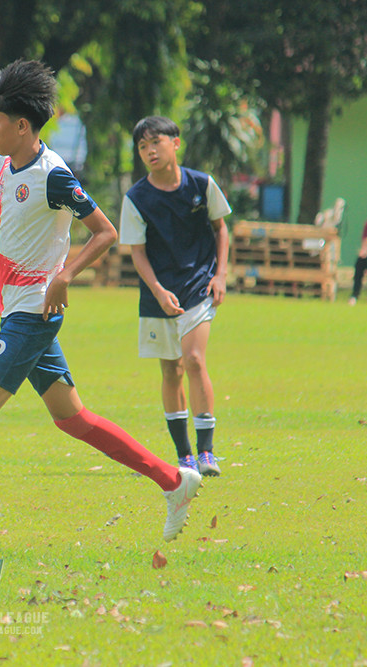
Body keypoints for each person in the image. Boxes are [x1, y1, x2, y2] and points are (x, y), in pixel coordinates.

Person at [0, 60, 201, 558]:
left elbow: (105, 231)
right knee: (73, 419)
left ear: (22, 125)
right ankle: (174, 480)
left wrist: (65, 274)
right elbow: (0, 223)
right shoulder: (3, 166)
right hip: (17, 311)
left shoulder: (54, 175)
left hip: (34, 315)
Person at [119, 116, 231, 478]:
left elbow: (221, 228)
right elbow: (137, 253)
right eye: (142, 146)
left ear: (175, 143)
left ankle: (207, 452)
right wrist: (158, 290)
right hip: (158, 293)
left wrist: (221, 275)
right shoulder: (136, 198)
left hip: (198, 286)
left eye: (156, 142)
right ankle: (183, 455)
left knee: (195, 360)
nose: (150, 151)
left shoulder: (202, 184)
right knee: (172, 371)